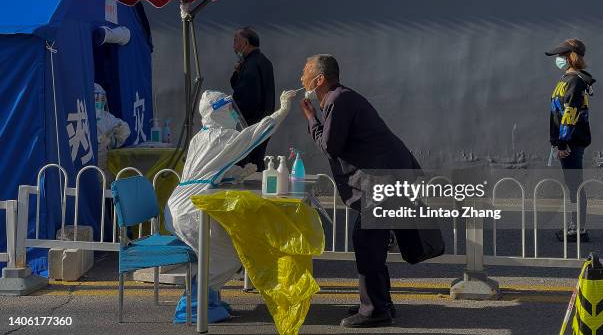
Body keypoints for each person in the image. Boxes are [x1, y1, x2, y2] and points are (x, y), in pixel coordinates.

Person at [298, 54, 422, 328]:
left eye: (305, 72)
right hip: (385, 178)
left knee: (367, 242)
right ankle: (380, 303)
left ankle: (375, 309)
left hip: (383, 180)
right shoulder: (339, 99)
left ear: (319, 79)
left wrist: (310, 118)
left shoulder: (337, 100)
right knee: (371, 243)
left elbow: (330, 145)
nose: (301, 78)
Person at [164, 88, 296, 320]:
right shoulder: (222, 137)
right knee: (231, 254)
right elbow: (254, 135)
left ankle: (208, 298)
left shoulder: (202, 136)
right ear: (217, 113)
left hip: (178, 205)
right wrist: (282, 110)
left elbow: (204, 170)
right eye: (229, 110)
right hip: (192, 210)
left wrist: (235, 173)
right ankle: (192, 304)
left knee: (215, 253)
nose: (234, 116)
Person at [546, 39, 595, 242]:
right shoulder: (568, 79)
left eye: (561, 56)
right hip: (566, 140)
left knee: (575, 185)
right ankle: (576, 226)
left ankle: (578, 229)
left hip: (571, 143)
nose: (558, 59)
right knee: (572, 185)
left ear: (571, 57)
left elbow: (571, 112)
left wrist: (563, 142)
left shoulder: (574, 81)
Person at [230, 27, 275, 171]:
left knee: (246, 167)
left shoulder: (251, 65)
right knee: (256, 163)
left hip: (249, 125)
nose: (233, 46)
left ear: (245, 43)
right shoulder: (264, 62)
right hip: (264, 122)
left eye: (236, 41)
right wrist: (238, 72)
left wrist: (234, 117)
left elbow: (247, 98)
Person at [94, 83, 130, 181]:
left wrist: (112, 141)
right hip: (88, 164)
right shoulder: (82, 117)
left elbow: (124, 129)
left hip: (105, 164)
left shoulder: (107, 117)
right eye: (96, 100)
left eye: (102, 100)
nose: (100, 103)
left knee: (105, 189)